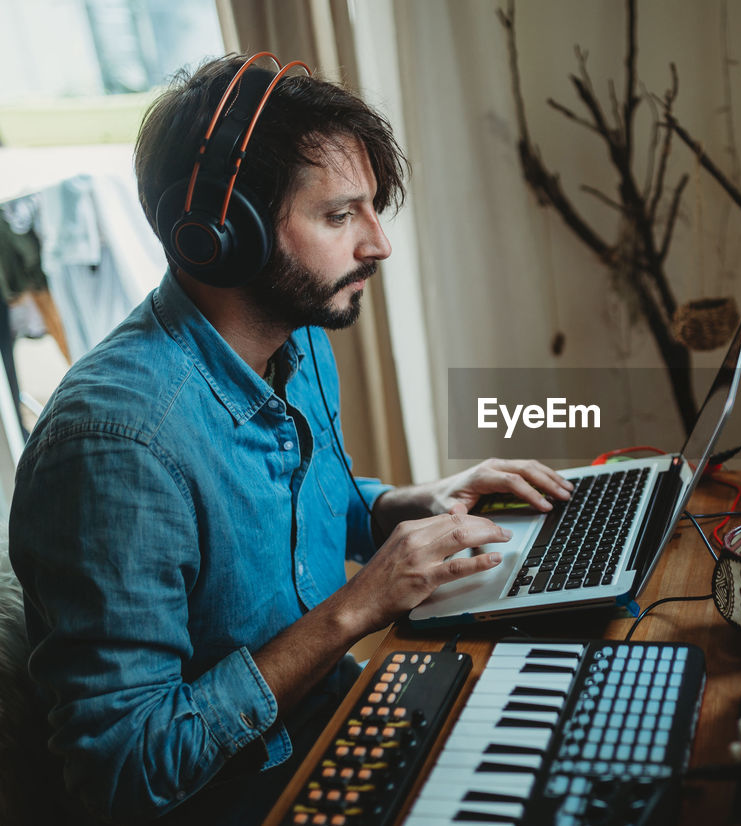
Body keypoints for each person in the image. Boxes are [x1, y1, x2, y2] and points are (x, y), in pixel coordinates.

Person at [8, 53, 571, 825]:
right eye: (340, 216)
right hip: (253, 800)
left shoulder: (294, 341)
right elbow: (124, 771)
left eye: (371, 210)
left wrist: (409, 505)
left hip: (343, 722)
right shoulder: (115, 449)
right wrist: (357, 607)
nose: (378, 245)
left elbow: (295, 516)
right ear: (220, 234)